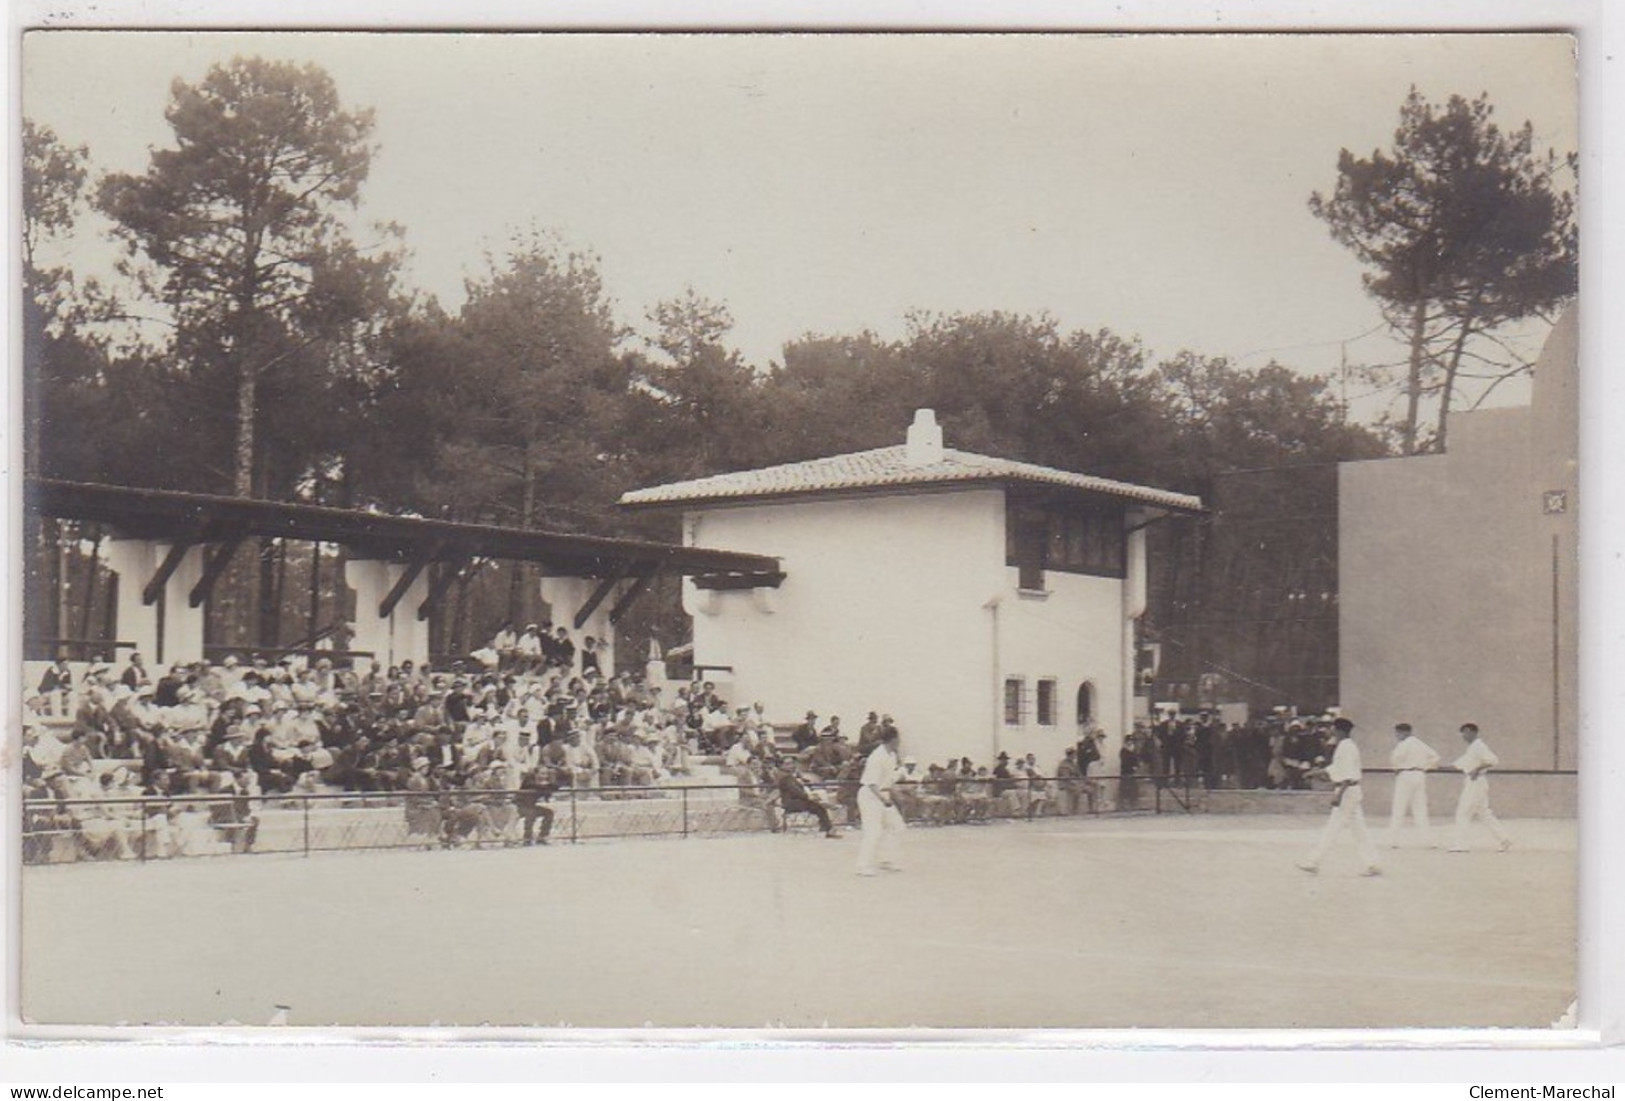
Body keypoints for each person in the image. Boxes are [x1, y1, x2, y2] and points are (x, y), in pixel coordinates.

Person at [1296, 717, 1380, 877]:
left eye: (1332, 728)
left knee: (1332, 828)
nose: (1330, 731)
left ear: (1339, 730)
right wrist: (1315, 773)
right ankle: (1372, 863)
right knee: (1359, 830)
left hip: (1347, 791)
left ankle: (1313, 862)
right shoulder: (1346, 746)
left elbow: (1347, 775)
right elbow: (1335, 768)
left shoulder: (1346, 747)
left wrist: (1338, 796)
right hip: (1352, 791)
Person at [1448, 723, 1512, 853]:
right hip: (1475, 782)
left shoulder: (1479, 746)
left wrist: (1477, 769)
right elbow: (1459, 765)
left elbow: (1493, 760)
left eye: (1465, 733)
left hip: (1476, 783)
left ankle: (1461, 844)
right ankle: (1504, 839)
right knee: (1484, 813)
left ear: (1472, 732)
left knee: (1463, 812)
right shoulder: (1472, 748)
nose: (1463, 736)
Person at [855, 726, 906, 876]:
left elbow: (887, 779)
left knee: (897, 826)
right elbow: (871, 783)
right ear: (894, 740)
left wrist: (899, 775)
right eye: (898, 739)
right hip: (870, 797)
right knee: (873, 831)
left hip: (883, 795)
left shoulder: (891, 755)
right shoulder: (877, 757)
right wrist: (884, 800)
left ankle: (886, 860)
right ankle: (862, 866)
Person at [1387, 722, 1441, 847]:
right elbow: (1435, 757)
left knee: (1399, 807)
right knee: (1420, 808)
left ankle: (1392, 840)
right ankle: (1429, 841)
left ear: (1405, 732)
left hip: (1405, 775)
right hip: (1419, 775)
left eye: (1398, 733)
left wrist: (1397, 768)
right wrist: (1424, 767)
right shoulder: (1420, 743)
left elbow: (1395, 758)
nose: (1397, 735)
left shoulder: (1403, 745)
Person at [773, 759, 840, 838]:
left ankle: (827, 825)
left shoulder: (790, 776)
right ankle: (828, 827)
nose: (791, 766)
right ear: (781, 766)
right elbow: (796, 791)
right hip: (792, 802)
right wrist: (808, 796)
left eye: (791, 763)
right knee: (818, 807)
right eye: (787, 764)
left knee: (818, 805)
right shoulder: (785, 778)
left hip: (796, 800)